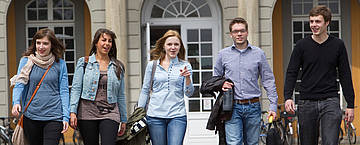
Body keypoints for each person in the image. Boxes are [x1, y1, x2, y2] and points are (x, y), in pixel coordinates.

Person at [284, 5, 355, 145]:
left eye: (318, 21)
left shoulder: (338, 45)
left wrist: (350, 105)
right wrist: (287, 97)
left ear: (327, 22)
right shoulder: (301, 46)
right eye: (311, 21)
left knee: (330, 142)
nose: (313, 25)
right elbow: (291, 72)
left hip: (330, 101)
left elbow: (345, 75)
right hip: (306, 102)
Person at [214, 17, 278, 145]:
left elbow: (268, 80)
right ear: (231, 34)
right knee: (234, 142)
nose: (239, 34)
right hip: (232, 107)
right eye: (236, 31)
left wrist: (273, 106)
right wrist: (221, 84)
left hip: (253, 106)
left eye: (242, 31)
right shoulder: (223, 54)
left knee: (253, 143)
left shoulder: (258, 53)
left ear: (247, 32)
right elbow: (215, 79)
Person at [10, 28, 70, 145]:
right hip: (31, 116)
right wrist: (16, 102)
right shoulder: (26, 61)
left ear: (52, 45)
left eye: (45, 43)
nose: (41, 47)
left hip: (54, 116)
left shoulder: (60, 64)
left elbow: (64, 91)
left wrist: (66, 116)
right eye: (38, 43)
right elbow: (19, 84)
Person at [69, 28, 127, 145]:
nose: (107, 44)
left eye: (110, 41)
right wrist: (72, 112)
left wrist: (124, 119)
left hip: (110, 112)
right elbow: (76, 89)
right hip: (87, 112)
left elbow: (120, 95)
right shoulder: (84, 62)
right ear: (96, 42)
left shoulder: (118, 66)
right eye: (103, 40)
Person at [137, 30, 194, 145]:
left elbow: (189, 93)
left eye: (176, 44)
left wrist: (188, 78)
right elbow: (145, 90)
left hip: (177, 115)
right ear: (164, 46)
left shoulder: (185, 65)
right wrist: (139, 112)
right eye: (169, 44)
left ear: (180, 47)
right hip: (155, 116)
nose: (173, 47)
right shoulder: (152, 65)